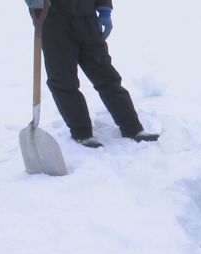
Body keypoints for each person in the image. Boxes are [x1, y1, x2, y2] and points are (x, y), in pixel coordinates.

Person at [27, 0, 158, 148]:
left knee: (106, 76)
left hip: (87, 18)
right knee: (63, 81)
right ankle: (82, 133)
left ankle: (133, 128)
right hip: (52, 20)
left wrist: (104, 9)